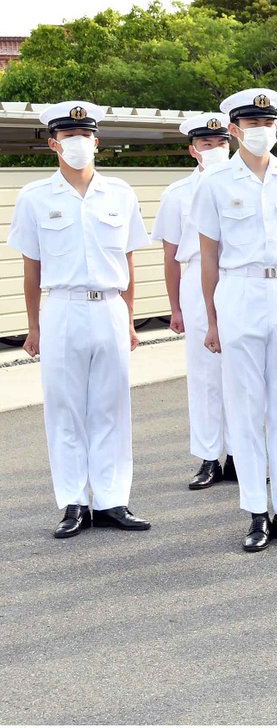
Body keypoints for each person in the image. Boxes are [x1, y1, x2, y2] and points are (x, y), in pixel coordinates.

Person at [7, 101, 152, 538]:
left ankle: (111, 500)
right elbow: (31, 269)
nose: (77, 143)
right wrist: (33, 326)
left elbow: (127, 263)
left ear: (97, 142)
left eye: (84, 136)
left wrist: (128, 319)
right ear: (54, 144)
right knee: (66, 410)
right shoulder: (34, 196)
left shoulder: (121, 194)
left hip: (109, 307)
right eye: (68, 137)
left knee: (110, 407)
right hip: (63, 309)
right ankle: (72, 502)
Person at [194, 87, 277, 552]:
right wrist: (211, 321)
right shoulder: (215, 183)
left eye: (268, 123)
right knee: (246, 407)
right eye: (252, 123)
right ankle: (256, 511)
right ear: (234, 129)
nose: (261, 131)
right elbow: (209, 258)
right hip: (239, 290)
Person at [153, 113, 236, 490]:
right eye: (207, 144)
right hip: (196, 277)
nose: (216, 150)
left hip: (238, 277)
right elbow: (172, 257)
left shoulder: (248, 184)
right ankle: (208, 457)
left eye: (221, 143)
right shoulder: (177, 193)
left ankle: (239, 454)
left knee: (242, 371)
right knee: (204, 375)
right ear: (192, 150)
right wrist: (176, 308)